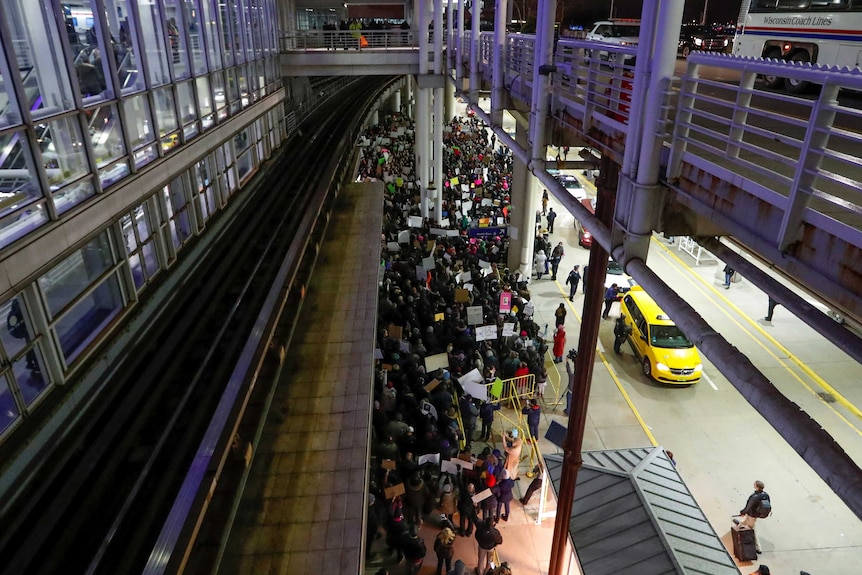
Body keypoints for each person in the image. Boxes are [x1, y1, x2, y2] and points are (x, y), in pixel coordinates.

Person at [735, 480, 770, 554]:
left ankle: (758, 548)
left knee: (752, 530)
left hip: (752, 515)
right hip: (757, 514)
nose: (753, 485)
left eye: (755, 484)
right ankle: (739, 525)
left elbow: (749, 507)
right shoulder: (766, 495)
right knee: (745, 521)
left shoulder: (754, 496)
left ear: (757, 487)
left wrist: (742, 512)